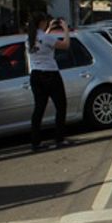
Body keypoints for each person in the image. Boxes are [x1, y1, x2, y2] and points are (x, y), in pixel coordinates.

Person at [26, 14, 71, 151]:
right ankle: (59, 138)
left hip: (35, 74)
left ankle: (35, 142)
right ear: (43, 22)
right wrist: (65, 29)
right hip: (50, 73)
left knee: (39, 108)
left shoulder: (29, 39)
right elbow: (65, 45)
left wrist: (49, 28)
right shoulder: (47, 38)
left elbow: (42, 40)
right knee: (61, 105)